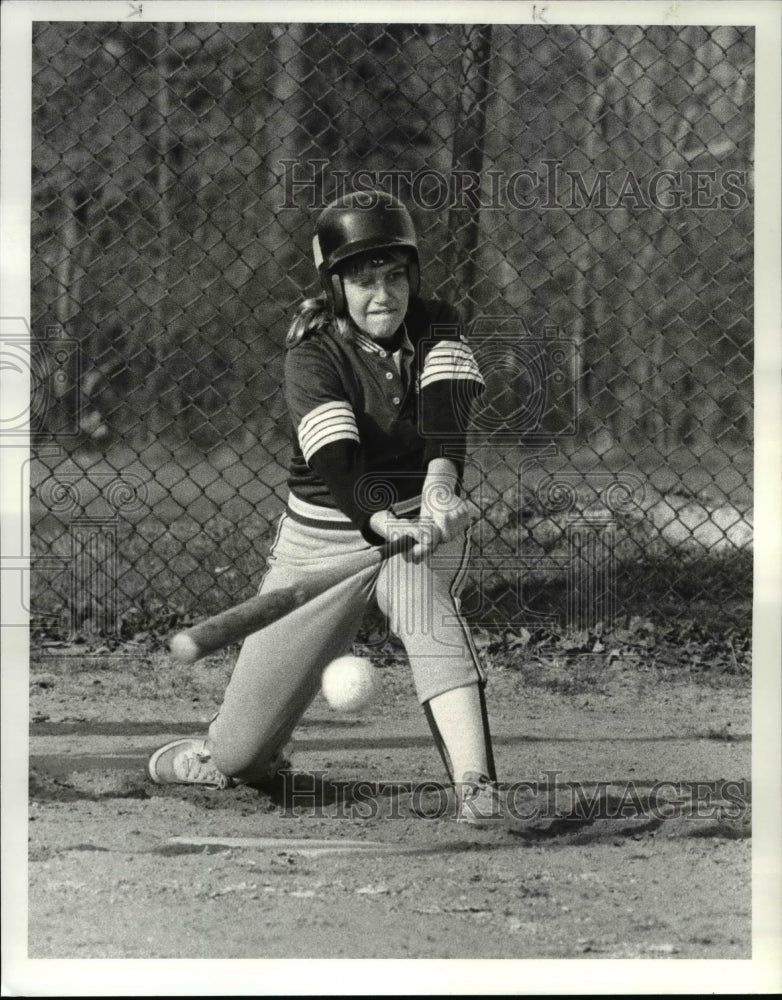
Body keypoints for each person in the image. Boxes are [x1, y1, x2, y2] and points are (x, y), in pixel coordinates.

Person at [148, 190, 501, 824]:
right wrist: (381, 519)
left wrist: (440, 495)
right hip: (324, 534)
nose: (384, 295)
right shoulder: (312, 357)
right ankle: (226, 753)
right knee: (240, 757)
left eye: (395, 276)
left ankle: (477, 785)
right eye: (365, 281)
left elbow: (447, 425)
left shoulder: (437, 323)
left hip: (418, 519)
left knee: (421, 599)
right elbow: (337, 462)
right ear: (337, 288)